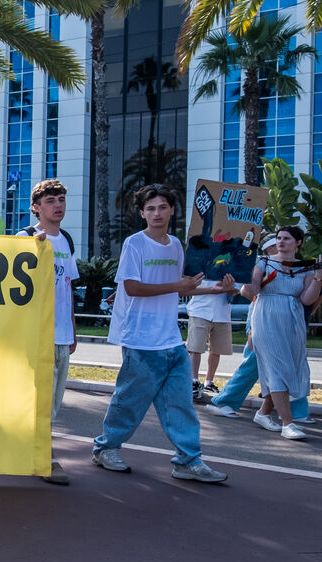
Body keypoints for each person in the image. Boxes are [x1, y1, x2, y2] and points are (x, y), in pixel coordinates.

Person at [91, 185, 230, 483]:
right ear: (142, 213)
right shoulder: (134, 243)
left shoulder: (176, 245)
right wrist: (180, 286)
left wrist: (214, 289)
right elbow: (132, 288)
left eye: (162, 207)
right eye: (150, 208)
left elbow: (180, 287)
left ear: (172, 210)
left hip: (171, 340)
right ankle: (106, 448)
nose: (157, 213)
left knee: (181, 405)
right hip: (140, 339)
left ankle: (188, 461)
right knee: (129, 401)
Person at [206, 238, 311, 422]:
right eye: (273, 246)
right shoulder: (262, 264)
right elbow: (248, 292)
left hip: (288, 322)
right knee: (255, 363)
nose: (278, 247)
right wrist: (253, 328)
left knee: (292, 362)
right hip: (262, 319)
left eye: (283, 242)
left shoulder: (297, 267)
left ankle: (291, 411)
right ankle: (225, 401)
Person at [15, 179, 76, 485]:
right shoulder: (25, 237)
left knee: (52, 404)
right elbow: (13, 287)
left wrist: (73, 329)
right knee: (39, 400)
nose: (58, 205)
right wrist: (31, 250)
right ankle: (46, 458)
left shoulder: (66, 239)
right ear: (36, 208)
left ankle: (30, 450)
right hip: (36, 334)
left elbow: (68, 286)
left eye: (61, 199)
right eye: (51, 201)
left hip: (62, 335)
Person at [248, 226, 321, 440]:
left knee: (289, 368)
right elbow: (253, 289)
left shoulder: (306, 267)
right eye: (279, 238)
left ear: (298, 242)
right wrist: (244, 275)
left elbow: (307, 299)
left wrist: (318, 278)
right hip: (266, 316)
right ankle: (287, 424)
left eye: (286, 238)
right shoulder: (263, 261)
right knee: (278, 368)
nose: (280, 241)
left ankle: (263, 413)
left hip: (293, 319)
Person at [185, 268, 238, 401]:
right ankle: (193, 381)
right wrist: (214, 288)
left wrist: (229, 288)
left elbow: (235, 291)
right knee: (195, 348)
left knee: (216, 350)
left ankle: (209, 382)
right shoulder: (200, 265)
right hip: (200, 310)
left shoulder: (230, 267)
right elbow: (188, 286)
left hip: (222, 313)